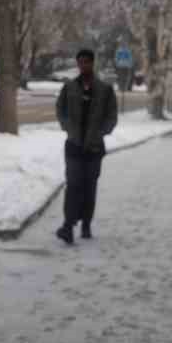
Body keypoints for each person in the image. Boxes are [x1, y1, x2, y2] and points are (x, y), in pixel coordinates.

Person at [55, 47, 118, 245]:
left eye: (87, 62)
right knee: (73, 186)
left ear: (92, 63)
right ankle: (68, 225)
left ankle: (86, 224)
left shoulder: (105, 90)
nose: (84, 66)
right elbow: (60, 110)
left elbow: (111, 117)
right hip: (73, 146)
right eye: (80, 62)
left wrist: (100, 133)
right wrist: (68, 128)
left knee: (89, 187)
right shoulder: (70, 87)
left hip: (94, 149)